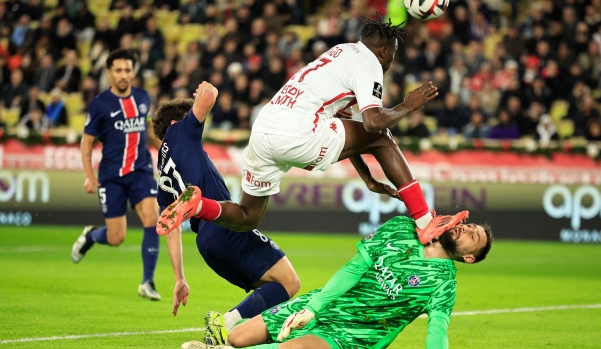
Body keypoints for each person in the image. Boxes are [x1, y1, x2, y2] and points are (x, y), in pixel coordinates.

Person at [157, 18, 467, 246]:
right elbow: (372, 125)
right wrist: (408, 105)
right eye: (393, 55)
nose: (391, 62)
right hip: (298, 129)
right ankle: (425, 222)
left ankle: (197, 206)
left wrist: (369, 179)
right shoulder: (370, 64)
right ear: (384, 50)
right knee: (382, 139)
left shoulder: (342, 52)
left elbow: (350, 126)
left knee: (248, 216)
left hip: (264, 128)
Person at [181, 214, 493, 349]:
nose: (466, 230)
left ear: (469, 258)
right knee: (237, 338)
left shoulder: (444, 284)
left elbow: (437, 329)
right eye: (469, 226)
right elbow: (354, 269)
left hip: (351, 337)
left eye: (474, 236)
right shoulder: (402, 227)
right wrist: (313, 308)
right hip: (322, 305)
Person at [151, 84, 301, 345]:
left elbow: (170, 227)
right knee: (290, 282)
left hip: (207, 245)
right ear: (175, 122)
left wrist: (180, 278)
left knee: (269, 289)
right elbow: (209, 95)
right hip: (223, 225)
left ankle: (242, 336)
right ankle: (225, 323)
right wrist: (202, 90)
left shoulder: (162, 172)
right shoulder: (180, 131)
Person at [71, 48, 163, 301]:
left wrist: (168, 154)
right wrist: (90, 177)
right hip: (111, 176)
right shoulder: (100, 104)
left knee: (152, 217)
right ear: (109, 73)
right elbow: (87, 144)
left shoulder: (143, 97)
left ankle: (148, 281)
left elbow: (151, 131)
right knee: (116, 237)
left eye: (128, 70)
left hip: (141, 171)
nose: (124, 75)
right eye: (119, 70)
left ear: (134, 72)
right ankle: (91, 235)